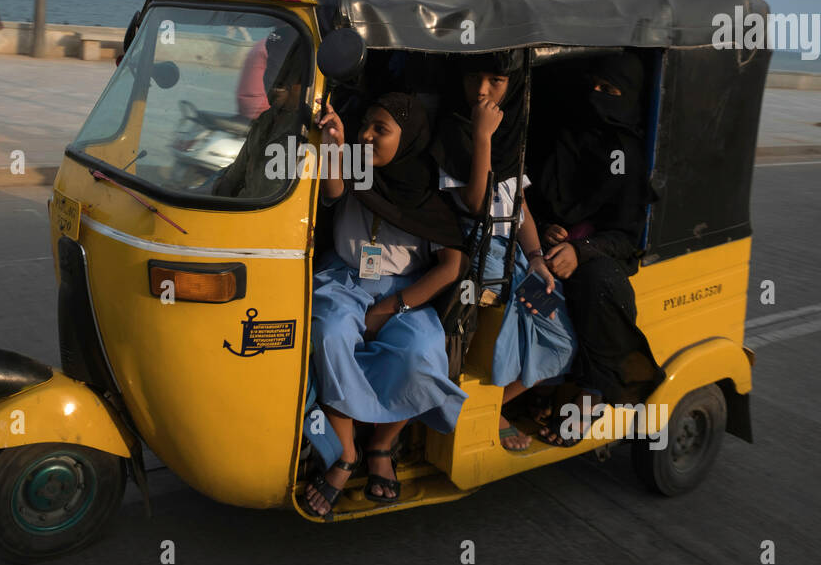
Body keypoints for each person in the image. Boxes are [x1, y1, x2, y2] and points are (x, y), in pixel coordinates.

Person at [302, 92, 468, 517]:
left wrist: (391, 307)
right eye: (366, 126)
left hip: (403, 291)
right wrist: (335, 141)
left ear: (407, 138)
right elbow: (334, 189)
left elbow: (450, 267)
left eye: (381, 129)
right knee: (330, 331)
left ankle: (381, 445)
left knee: (422, 354)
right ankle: (344, 452)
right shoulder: (354, 163)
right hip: (345, 278)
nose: (367, 135)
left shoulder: (427, 189)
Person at [432, 51, 576, 451]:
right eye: (474, 78)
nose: (482, 90)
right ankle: (490, 409)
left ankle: (501, 401)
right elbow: (478, 203)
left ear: (513, 86)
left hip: (513, 252)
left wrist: (536, 258)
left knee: (563, 338)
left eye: (495, 81)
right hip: (482, 252)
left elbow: (520, 206)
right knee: (504, 337)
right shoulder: (457, 129)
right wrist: (482, 137)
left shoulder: (510, 132)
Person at [526, 51, 664, 446]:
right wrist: (550, 229)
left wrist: (581, 250)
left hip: (600, 257)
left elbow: (626, 236)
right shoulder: (564, 137)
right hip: (551, 247)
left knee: (596, 283)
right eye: (594, 86)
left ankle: (591, 394)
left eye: (610, 90)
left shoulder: (627, 155)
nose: (596, 97)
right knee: (526, 283)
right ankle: (544, 381)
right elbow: (534, 199)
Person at [213, 33, 307, 199]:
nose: (273, 80)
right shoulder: (265, 120)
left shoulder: (309, 128)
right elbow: (231, 178)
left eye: (284, 72)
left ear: (303, 79)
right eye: (270, 68)